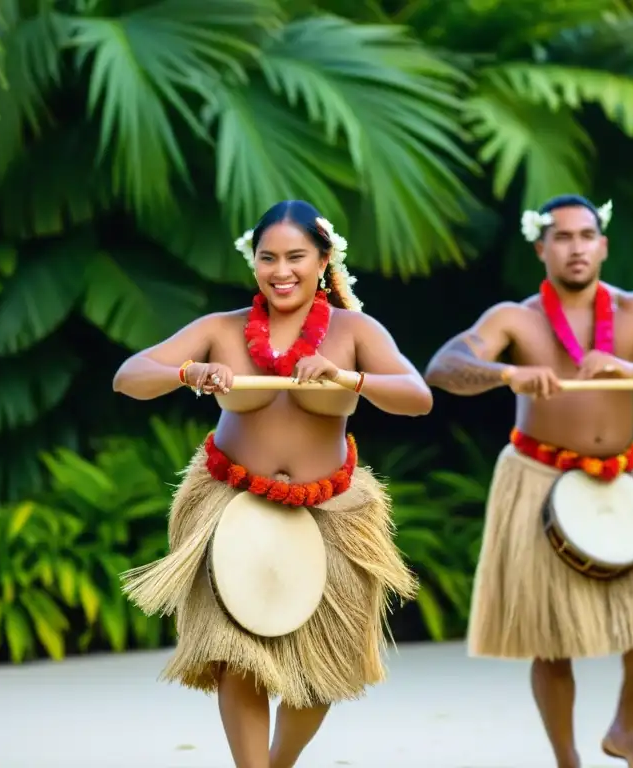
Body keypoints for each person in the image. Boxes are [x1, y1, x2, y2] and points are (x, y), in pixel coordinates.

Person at [113, 200, 428, 768]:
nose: (281, 271)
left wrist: (346, 376)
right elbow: (129, 376)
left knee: (326, 670)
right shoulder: (222, 329)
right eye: (268, 258)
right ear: (253, 262)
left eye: (296, 257)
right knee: (239, 656)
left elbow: (417, 396)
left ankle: (279, 762)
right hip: (233, 503)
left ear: (324, 258)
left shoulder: (354, 331)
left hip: (332, 510)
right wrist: (190, 372)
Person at [424, 194, 633, 768]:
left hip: (624, 474)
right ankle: (566, 759)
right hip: (538, 476)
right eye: (562, 237)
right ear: (541, 247)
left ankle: (627, 727)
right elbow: (444, 367)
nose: (576, 247)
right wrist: (506, 371)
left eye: (586, 235)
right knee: (550, 637)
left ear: (603, 245)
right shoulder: (514, 319)